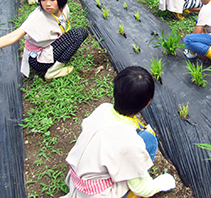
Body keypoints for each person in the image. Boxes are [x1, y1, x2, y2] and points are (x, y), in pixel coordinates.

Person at [61, 66, 176, 198]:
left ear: (114, 92)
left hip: (77, 179)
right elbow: (141, 189)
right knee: (150, 140)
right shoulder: (132, 143)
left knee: (143, 137)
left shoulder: (102, 109)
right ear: (147, 103)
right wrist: (162, 183)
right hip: (96, 194)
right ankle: (138, 176)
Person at [0, 0, 88, 81]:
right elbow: (13, 36)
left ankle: (54, 64)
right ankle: (53, 72)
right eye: (43, 0)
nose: (47, 4)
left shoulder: (64, 8)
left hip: (49, 45)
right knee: (77, 34)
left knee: (81, 33)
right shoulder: (37, 17)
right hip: (38, 59)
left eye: (52, 0)